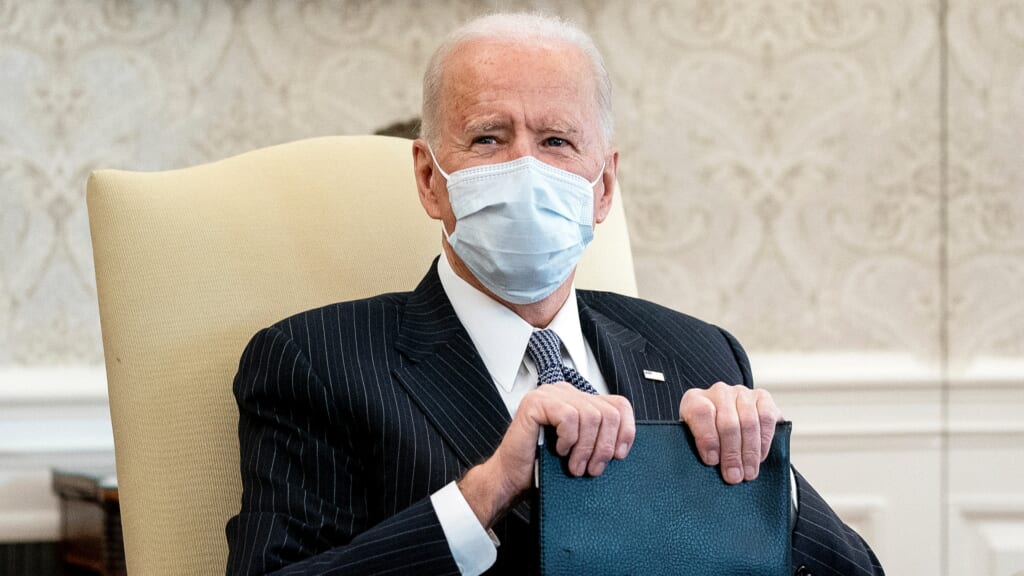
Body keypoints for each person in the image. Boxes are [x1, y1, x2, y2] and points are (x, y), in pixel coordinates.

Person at [225, 12, 884, 576]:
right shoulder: (314, 361)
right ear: (430, 178)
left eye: (556, 141)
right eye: (489, 137)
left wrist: (768, 486)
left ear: (603, 188)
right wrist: (487, 491)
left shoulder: (699, 352)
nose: (526, 169)